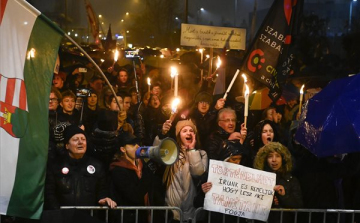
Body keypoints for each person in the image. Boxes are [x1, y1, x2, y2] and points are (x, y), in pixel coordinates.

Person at [45, 125, 117, 210]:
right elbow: (49, 193)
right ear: (67, 145)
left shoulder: (97, 165)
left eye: (83, 139)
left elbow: (102, 189)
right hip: (63, 217)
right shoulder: (56, 165)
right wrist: (57, 213)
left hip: (88, 217)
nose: (80, 142)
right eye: (75, 140)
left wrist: (104, 198)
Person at [162, 119, 208, 223]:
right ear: (179, 135)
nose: (188, 133)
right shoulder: (172, 153)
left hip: (193, 212)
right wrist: (162, 134)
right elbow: (156, 153)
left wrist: (192, 150)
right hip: (173, 211)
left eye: (191, 131)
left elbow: (198, 173)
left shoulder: (201, 154)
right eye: (184, 131)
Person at [253, 142, 303, 222]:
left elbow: (298, 206)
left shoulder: (291, 180)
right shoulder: (258, 179)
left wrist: (284, 196)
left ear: (283, 159)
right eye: (270, 156)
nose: (274, 160)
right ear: (265, 159)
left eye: (278, 156)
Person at [109, 133, 152, 223]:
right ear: (123, 149)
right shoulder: (118, 170)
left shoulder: (142, 166)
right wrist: (147, 172)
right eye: (133, 145)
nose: (137, 147)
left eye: (137, 144)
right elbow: (134, 196)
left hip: (141, 217)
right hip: (127, 218)